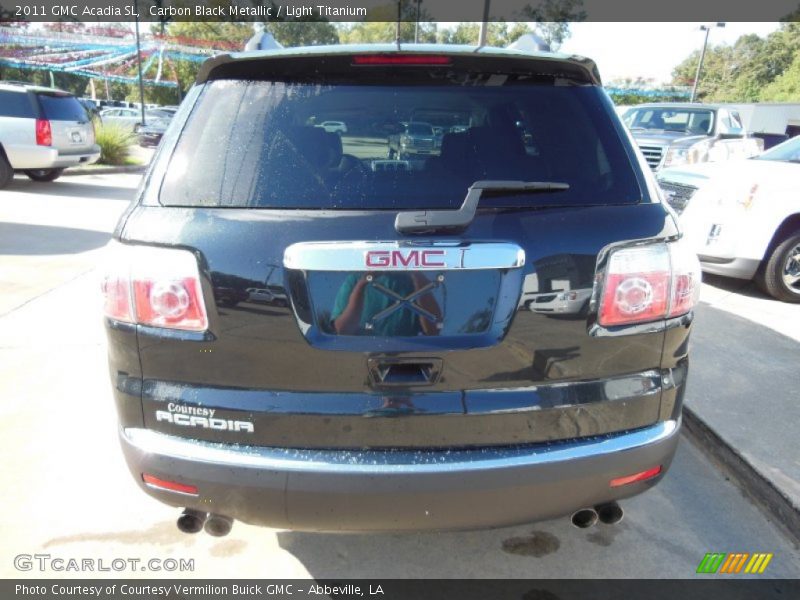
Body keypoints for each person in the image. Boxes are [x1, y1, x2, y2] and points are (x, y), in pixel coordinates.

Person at [331, 272, 442, 336]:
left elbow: (434, 329)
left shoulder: (416, 281)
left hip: (408, 354)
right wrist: (361, 285)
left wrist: (416, 274)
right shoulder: (355, 279)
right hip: (361, 353)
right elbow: (342, 329)